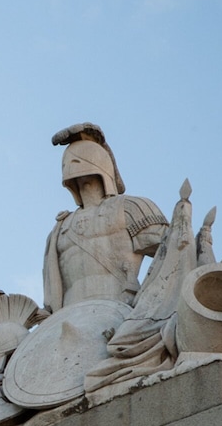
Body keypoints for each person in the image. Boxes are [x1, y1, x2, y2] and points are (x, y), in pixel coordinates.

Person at [42, 123, 168, 313]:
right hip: (66, 313)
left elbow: (174, 252)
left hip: (121, 307)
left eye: (78, 161)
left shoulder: (131, 208)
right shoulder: (60, 229)